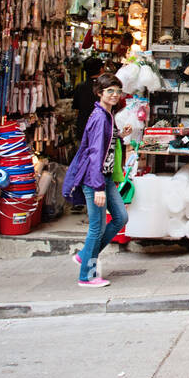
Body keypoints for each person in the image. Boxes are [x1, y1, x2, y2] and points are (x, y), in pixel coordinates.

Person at [62, 72, 128, 287]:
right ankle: (86, 276)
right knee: (96, 228)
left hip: (105, 178)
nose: (115, 95)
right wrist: (97, 187)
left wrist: (120, 136)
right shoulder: (100, 117)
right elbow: (95, 153)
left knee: (120, 217)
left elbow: (105, 143)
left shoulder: (107, 114)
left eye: (118, 91)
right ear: (100, 93)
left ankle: (84, 254)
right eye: (110, 91)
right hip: (96, 180)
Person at [72, 57, 104, 143]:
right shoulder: (105, 87)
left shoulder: (80, 86)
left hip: (83, 129)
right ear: (101, 69)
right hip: (100, 129)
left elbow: (76, 109)